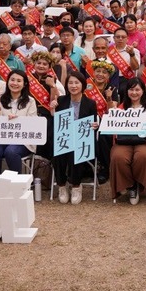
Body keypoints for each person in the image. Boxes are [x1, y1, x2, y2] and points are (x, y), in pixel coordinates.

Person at [50, 70, 98, 204]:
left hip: (81, 138)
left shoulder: (90, 103)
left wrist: (95, 126)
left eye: (76, 82)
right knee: (58, 151)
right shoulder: (61, 100)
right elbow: (56, 121)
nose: (73, 86)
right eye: (70, 83)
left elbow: (93, 125)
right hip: (64, 137)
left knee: (76, 150)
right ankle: (61, 186)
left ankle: (76, 186)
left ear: (82, 85)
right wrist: (53, 109)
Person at [0, 70, 37, 174]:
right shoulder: (1, 98)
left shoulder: (30, 101)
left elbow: (32, 123)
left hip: (23, 140)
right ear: (7, 82)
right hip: (3, 137)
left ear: (24, 84)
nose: (15, 83)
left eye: (19, 81)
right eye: (12, 80)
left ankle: (16, 186)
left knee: (11, 151)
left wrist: (17, 120)